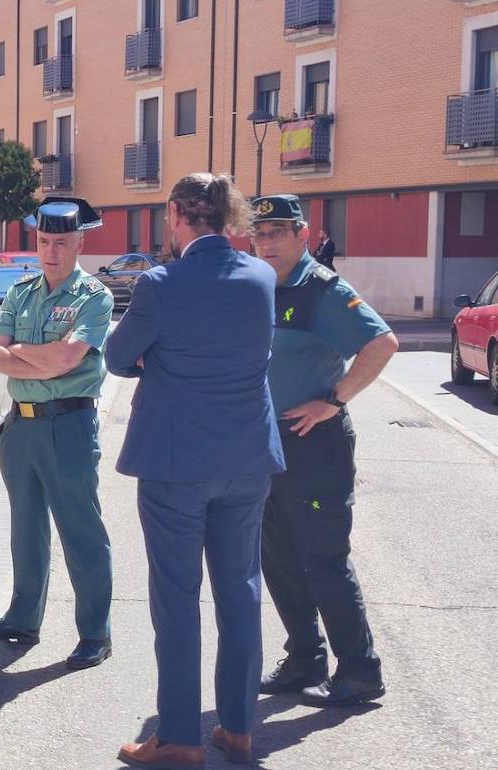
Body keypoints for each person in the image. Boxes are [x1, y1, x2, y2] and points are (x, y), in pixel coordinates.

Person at [106, 174, 285, 768]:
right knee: (241, 592)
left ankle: (180, 735)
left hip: (176, 464)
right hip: (247, 459)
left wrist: (158, 358)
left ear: (180, 214)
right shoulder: (261, 276)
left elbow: (115, 356)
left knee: (177, 600)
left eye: (167, 214)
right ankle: (236, 727)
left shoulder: (160, 283)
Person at [249, 194, 397, 708]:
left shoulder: (323, 290)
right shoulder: (258, 285)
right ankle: (305, 658)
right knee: (279, 558)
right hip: (267, 447)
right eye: (259, 233)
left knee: (324, 560)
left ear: (302, 234)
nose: (266, 241)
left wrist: (334, 400)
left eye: (277, 232)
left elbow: (381, 343)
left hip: (316, 447)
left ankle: (359, 669)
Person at [0, 196, 116, 672]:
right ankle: (22, 617)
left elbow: (66, 361)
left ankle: (95, 633)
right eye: (45, 242)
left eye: (62, 243)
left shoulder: (93, 297)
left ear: (79, 243)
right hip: (22, 425)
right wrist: (42, 355)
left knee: (80, 531)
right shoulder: (22, 292)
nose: (51, 252)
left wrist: (24, 354)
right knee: (25, 529)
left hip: (68, 424)